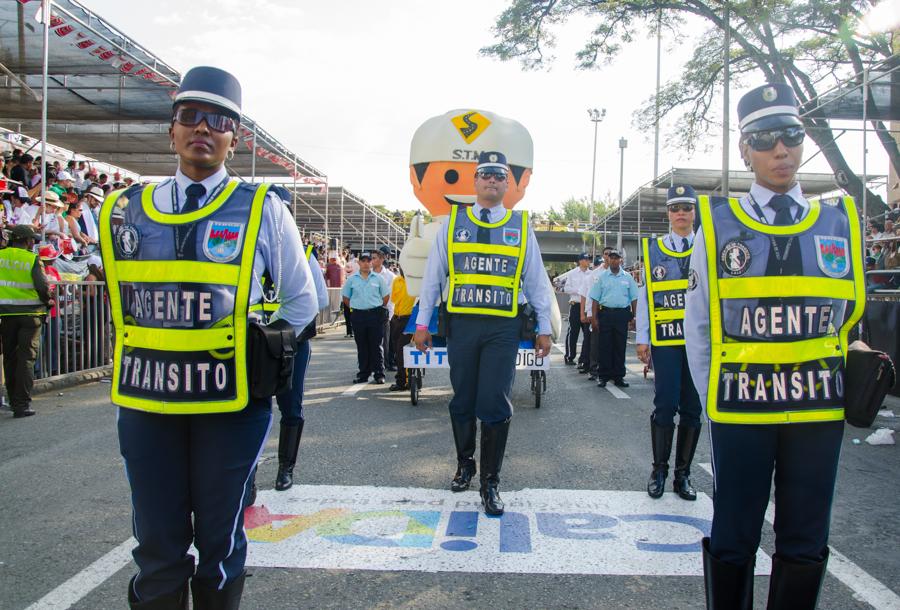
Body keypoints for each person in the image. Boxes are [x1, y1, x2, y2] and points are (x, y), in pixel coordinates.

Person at [98, 66, 319, 609]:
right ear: (171, 130)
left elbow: (302, 300)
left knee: (219, 543)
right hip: (147, 401)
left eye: (218, 120)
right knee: (157, 542)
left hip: (229, 402)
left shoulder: (264, 208)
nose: (203, 128)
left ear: (234, 137)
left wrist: (260, 352)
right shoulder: (122, 209)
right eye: (190, 116)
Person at [685, 83, 865, 609]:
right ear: (745, 150)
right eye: (764, 139)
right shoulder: (717, 226)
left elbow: (849, 323)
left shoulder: (841, 221)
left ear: (803, 139)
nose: (780, 150)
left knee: (804, 540)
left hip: (817, 409)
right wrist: (714, 403)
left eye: (790, 135)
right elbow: (700, 327)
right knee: (735, 534)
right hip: (741, 409)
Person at [414, 151, 553, 516]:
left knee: (494, 402)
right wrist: (422, 324)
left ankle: (490, 482)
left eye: (499, 176)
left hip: (502, 328)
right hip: (462, 326)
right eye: (485, 175)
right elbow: (433, 277)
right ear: (475, 182)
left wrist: (545, 327)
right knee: (463, 400)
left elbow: (537, 282)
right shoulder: (451, 223)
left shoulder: (521, 226)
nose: (492, 181)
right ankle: (465, 465)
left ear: (508, 184)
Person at [635, 185, 702, 501]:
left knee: (693, 407)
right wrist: (643, 338)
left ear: (694, 212)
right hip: (667, 341)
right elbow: (647, 296)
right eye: (675, 208)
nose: (681, 214)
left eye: (686, 208)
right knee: (665, 404)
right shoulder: (654, 249)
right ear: (668, 213)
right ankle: (659, 470)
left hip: (700, 343)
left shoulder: (707, 245)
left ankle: (682, 474)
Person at [0, 225, 52, 418]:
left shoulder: (1, 256)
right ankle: (22, 405)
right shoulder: (31, 259)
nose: (34, 243)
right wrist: (49, 300)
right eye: (33, 240)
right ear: (27, 240)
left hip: (5, 315)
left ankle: (13, 401)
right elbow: (42, 286)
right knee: (26, 359)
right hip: (31, 315)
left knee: (10, 358)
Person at [587, 249, 638, 388]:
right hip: (606, 314)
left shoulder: (627, 277)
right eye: (612, 258)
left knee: (620, 346)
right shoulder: (602, 277)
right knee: (605, 346)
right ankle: (603, 376)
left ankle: (619, 376)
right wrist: (594, 318)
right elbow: (595, 299)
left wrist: (634, 317)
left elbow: (634, 298)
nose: (614, 260)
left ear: (621, 260)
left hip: (622, 315)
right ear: (608, 259)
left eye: (617, 258)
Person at [342, 251, 390, 384]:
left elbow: (385, 296)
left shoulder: (378, 278)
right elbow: (346, 297)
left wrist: (377, 307)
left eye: (368, 261)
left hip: (375, 314)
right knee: (362, 345)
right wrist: (356, 306)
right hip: (358, 315)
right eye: (363, 261)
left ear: (371, 262)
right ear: (359, 263)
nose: (366, 263)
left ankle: (379, 373)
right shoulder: (352, 279)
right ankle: (363, 373)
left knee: (376, 345)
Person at [388, 266, 416, 391]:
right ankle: (405, 378)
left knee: (401, 351)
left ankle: (402, 381)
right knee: (397, 350)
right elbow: (394, 299)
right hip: (397, 318)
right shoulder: (397, 281)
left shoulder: (416, 282)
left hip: (410, 319)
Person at [563, 253, 593, 367]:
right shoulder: (572, 273)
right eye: (585, 259)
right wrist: (581, 290)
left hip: (587, 307)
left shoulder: (592, 274)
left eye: (588, 259)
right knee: (573, 332)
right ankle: (570, 356)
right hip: (576, 304)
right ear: (580, 261)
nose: (587, 261)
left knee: (588, 334)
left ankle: (585, 359)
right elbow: (566, 288)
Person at [371, 247, 396, 371]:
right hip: (368, 312)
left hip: (384, 312)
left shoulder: (390, 276)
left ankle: (386, 363)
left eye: (374, 258)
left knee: (385, 341)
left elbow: (391, 297)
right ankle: (372, 364)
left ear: (381, 259)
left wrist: (390, 314)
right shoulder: (366, 274)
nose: (371, 261)